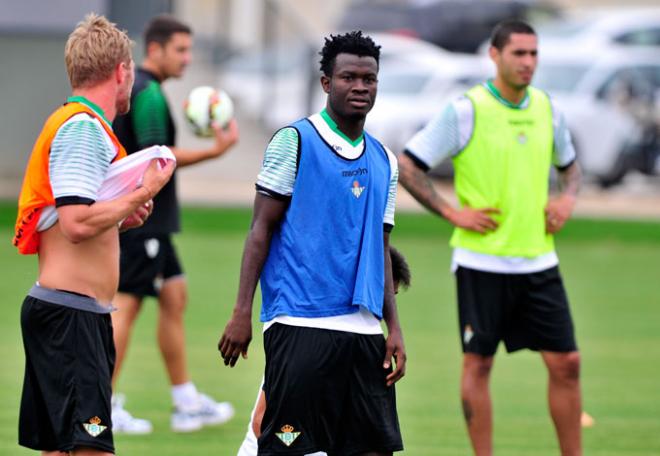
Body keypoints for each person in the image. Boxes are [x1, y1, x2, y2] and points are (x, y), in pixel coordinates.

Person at [397, 20, 583, 456]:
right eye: (519, 53)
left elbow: (570, 168)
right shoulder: (467, 110)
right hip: (481, 263)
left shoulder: (547, 108)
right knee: (478, 364)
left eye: (534, 54)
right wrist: (451, 211)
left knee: (568, 363)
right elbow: (407, 165)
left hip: (539, 261)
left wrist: (567, 200)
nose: (528, 62)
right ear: (495, 56)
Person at [219, 31, 406, 455]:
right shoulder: (295, 141)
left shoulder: (385, 161)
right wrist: (241, 312)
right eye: (348, 77)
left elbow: (381, 249)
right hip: (301, 323)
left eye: (369, 79)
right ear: (326, 83)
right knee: (291, 448)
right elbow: (259, 230)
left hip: (363, 329)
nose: (360, 87)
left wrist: (392, 328)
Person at [13, 14, 174, 455]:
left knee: (61, 449)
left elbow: (73, 216)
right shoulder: (84, 129)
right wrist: (145, 189)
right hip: (72, 318)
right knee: (89, 449)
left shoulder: (84, 126)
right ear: (122, 71)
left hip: (73, 313)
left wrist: (123, 217)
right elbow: (76, 223)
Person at [110, 14, 239, 434]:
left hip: (156, 222)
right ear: (156, 49)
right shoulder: (146, 93)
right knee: (125, 306)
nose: (187, 58)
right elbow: (156, 156)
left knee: (174, 296)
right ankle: (103, 403)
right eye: (180, 50)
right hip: (140, 219)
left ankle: (185, 401)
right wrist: (214, 153)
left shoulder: (151, 91)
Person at [237, 247, 412, 456]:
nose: (385, 306)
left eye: (392, 297)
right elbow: (260, 422)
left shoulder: (359, 346)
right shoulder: (309, 345)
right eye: (385, 295)